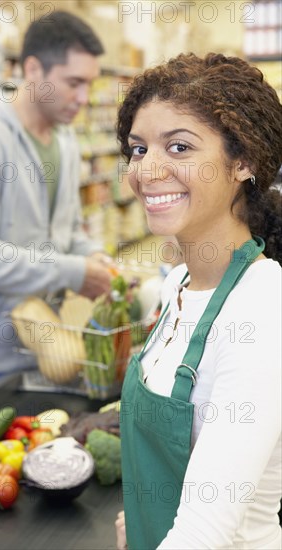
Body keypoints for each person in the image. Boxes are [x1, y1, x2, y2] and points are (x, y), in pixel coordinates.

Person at [115, 53, 282, 549]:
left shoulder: (261, 309)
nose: (148, 170)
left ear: (243, 161)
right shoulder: (179, 286)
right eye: (139, 149)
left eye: (180, 147)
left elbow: (202, 534)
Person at [0, 11, 113, 411]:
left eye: (90, 84)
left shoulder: (64, 138)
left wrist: (91, 256)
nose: (84, 98)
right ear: (33, 68)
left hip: (44, 350)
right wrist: (73, 272)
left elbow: (64, 233)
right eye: (74, 83)